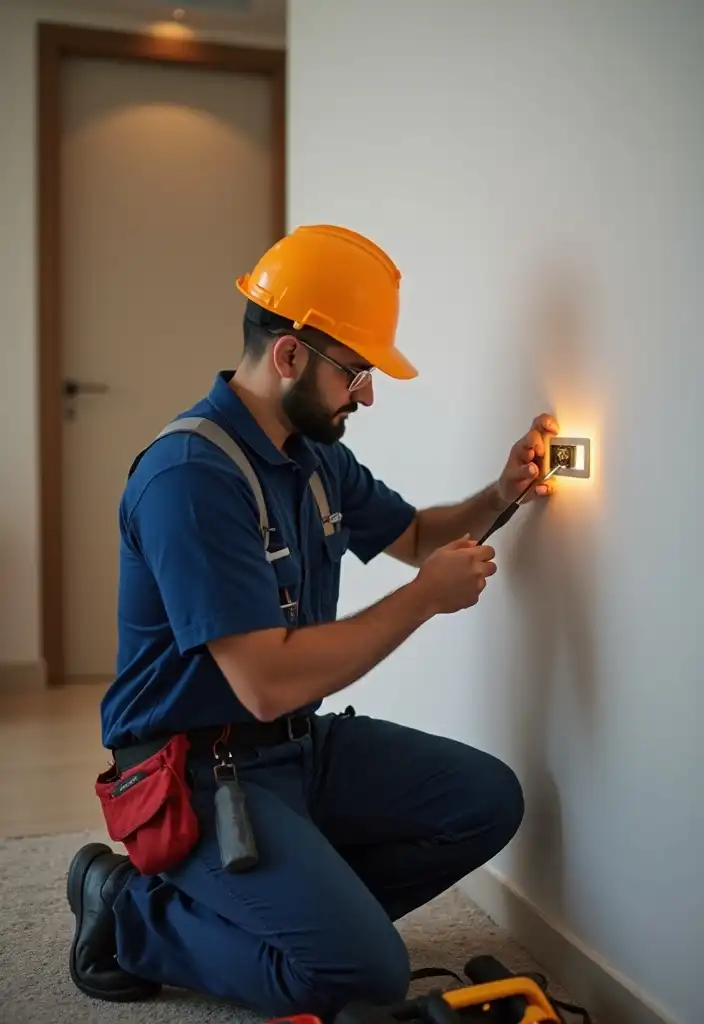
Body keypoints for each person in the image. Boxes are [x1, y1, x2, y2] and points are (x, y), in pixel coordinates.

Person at [66, 224, 558, 1018]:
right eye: (357, 371)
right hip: (198, 773)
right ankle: (128, 908)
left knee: (487, 800)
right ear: (290, 354)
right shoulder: (192, 476)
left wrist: (502, 490)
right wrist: (426, 600)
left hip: (296, 750)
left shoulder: (312, 453)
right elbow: (263, 683)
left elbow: (418, 538)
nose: (366, 393)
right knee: (362, 978)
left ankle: (308, 920)